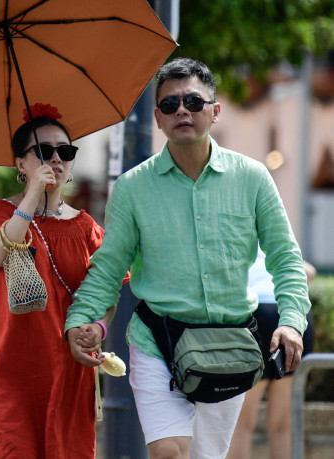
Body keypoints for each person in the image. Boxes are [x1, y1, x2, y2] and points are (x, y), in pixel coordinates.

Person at [64, 57, 311, 459]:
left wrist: (292, 322)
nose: (182, 110)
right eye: (170, 104)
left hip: (229, 347)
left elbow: (286, 258)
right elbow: (108, 267)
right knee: (169, 451)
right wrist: (81, 319)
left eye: (194, 102)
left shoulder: (253, 178)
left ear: (215, 112)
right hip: (156, 342)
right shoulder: (132, 188)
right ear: (158, 119)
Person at [0, 103, 117, 458]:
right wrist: (32, 197)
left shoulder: (86, 228)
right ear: (20, 164)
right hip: (12, 373)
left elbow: (107, 292)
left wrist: (99, 326)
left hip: (70, 373)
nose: (55, 158)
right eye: (42, 151)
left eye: (65, 151)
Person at [227, 249, 317, 459]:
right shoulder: (275, 244)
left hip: (255, 313)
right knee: (283, 424)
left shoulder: (238, 242)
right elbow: (309, 272)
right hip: (294, 317)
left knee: (241, 423)